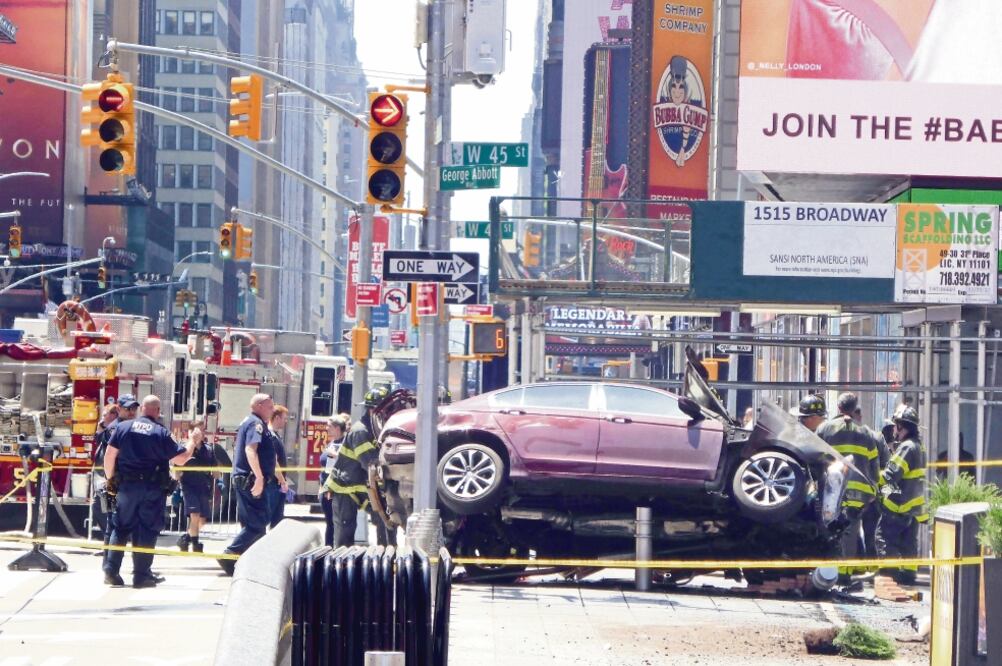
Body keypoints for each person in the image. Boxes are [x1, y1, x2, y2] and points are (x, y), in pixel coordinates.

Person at [102, 395, 195, 588]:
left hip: (126, 486)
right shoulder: (160, 432)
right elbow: (181, 459)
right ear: (158, 410)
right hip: (151, 489)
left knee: (119, 528)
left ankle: (111, 571)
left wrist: (111, 480)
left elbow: (110, 455)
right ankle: (141, 576)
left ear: (142, 408)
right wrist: (192, 441)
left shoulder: (123, 427)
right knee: (146, 530)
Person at [815, 393, 881, 564]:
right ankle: (846, 573)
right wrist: (874, 489)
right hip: (859, 493)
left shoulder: (825, 428)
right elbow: (875, 464)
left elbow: (815, 458)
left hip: (832, 490)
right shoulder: (866, 432)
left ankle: (835, 572)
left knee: (830, 529)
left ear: (838, 407)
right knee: (850, 531)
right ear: (854, 409)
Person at [324, 386, 391, 548]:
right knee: (345, 534)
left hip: (360, 487)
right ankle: (340, 568)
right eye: (387, 410)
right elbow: (370, 462)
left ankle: (386, 558)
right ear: (374, 410)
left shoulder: (374, 429)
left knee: (385, 521)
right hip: (345, 488)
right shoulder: (360, 431)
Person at [219, 394, 278, 575]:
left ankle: (250, 560)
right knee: (257, 522)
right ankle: (230, 554)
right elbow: (250, 450)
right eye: (270, 407)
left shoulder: (252, 422)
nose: (272, 410)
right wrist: (259, 478)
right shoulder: (255, 424)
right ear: (259, 406)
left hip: (247, 479)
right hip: (251, 480)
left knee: (253, 523)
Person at [877, 406, 927, 585]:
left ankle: (889, 574)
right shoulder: (919, 447)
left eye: (895, 426)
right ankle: (908, 574)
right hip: (912, 508)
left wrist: (873, 478)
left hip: (897, 506)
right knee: (908, 543)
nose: (893, 430)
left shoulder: (906, 447)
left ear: (902, 427)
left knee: (884, 537)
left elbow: (891, 475)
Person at [176, 422, 215, 553]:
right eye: (199, 431)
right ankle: (196, 544)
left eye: (203, 430)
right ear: (191, 432)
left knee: (202, 520)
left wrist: (218, 480)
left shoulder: (208, 449)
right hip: (189, 485)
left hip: (204, 486)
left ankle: (185, 538)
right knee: (195, 515)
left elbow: (214, 468)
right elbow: (177, 466)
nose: (201, 433)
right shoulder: (184, 448)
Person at [91, 403, 120, 547]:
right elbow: (98, 442)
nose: (102, 418)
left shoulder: (114, 430)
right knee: (100, 507)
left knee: (107, 509)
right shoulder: (106, 430)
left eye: (105, 415)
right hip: (104, 477)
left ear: (114, 415)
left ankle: (112, 541)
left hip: (110, 478)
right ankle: (109, 541)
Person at [319, 415, 348, 547]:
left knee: (335, 523)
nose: (326, 428)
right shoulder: (332, 442)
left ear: (337, 428)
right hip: (325, 489)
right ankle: (328, 549)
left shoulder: (345, 443)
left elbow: (346, 463)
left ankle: (335, 551)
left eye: (329, 426)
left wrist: (335, 455)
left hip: (335, 490)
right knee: (329, 523)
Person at [266, 405, 291, 528]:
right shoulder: (271, 437)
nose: (286, 421)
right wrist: (282, 482)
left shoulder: (275, 436)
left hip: (276, 485)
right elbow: (273, 462)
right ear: (276, 418)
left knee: (276, 520)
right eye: (284, 418)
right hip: (273, 485)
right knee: (272, 518)